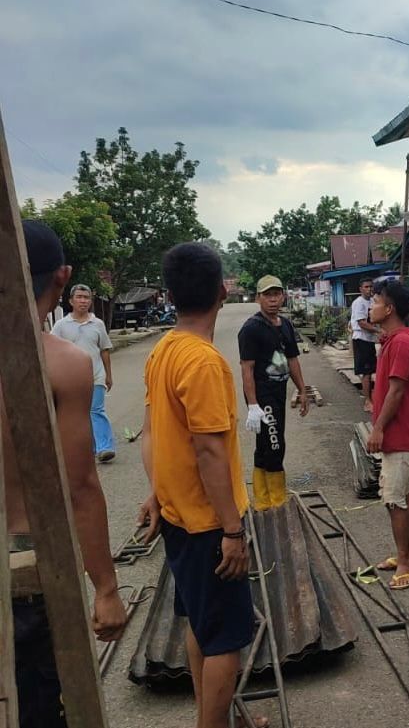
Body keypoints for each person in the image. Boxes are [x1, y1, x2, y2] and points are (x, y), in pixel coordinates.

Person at [5, 221, 126, 727]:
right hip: (30, 572)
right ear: (62, 278)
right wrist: (105, 588)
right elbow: (79, 487)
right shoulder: (63, 365)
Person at [137, 243, 255, 728]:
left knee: (199, 625)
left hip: (178, 516)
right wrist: (232, 529)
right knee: (226, 638)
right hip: (209, 525)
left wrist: (156, 493)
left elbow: (151, 433)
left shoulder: (163, 350)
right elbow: (208, 452)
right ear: (223, 291)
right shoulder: (203, 363)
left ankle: (212, 718)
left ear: (168, 295)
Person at [365, 279, 409, 590]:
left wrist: (378, 428)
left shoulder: (401, 343)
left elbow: (397, 390)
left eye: (375, 301)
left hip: (399, 433)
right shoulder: (395, 339)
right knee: (406, 493)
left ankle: (404, 562)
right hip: (402, 432)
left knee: (393, 500)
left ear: (389, 309)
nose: (370, 306)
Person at [239, 275, 310, 510]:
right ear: (258, 298)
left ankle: (261, 499)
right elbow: (247, 369)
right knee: (274, 444)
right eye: (267, 295)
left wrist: (302, 390)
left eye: (277, 294)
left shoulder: (286, 325)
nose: (273, 299)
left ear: (283, 296)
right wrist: (252, 405)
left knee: (266, 446)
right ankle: (276, 500)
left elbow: (292, 360)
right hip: (263, 396)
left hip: (279, 392)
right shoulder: (251, 329)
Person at [52, 283, 116, 462]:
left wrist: (108, 375)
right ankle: (89, 448)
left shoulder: (97, 324)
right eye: (79, 297)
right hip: (71, 379)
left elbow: (104, 350)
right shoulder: (61, 325)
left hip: (95, 376)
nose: (83, 301)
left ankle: (105, 448)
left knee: (96, 411)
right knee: (78, 415)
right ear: (71, 301)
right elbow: (53, 350)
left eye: (86, 298)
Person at [350, 278, 378, 412]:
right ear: (360, 289)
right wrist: (379, 331)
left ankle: (373, 398)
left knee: (372, 370)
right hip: (361, 339)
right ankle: (367, 401)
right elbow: (362, 323)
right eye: (366, 287)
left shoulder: (373, 302)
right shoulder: (358, 303)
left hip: (370, 339)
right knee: (366, 372)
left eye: (371, 287)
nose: (369, 289)